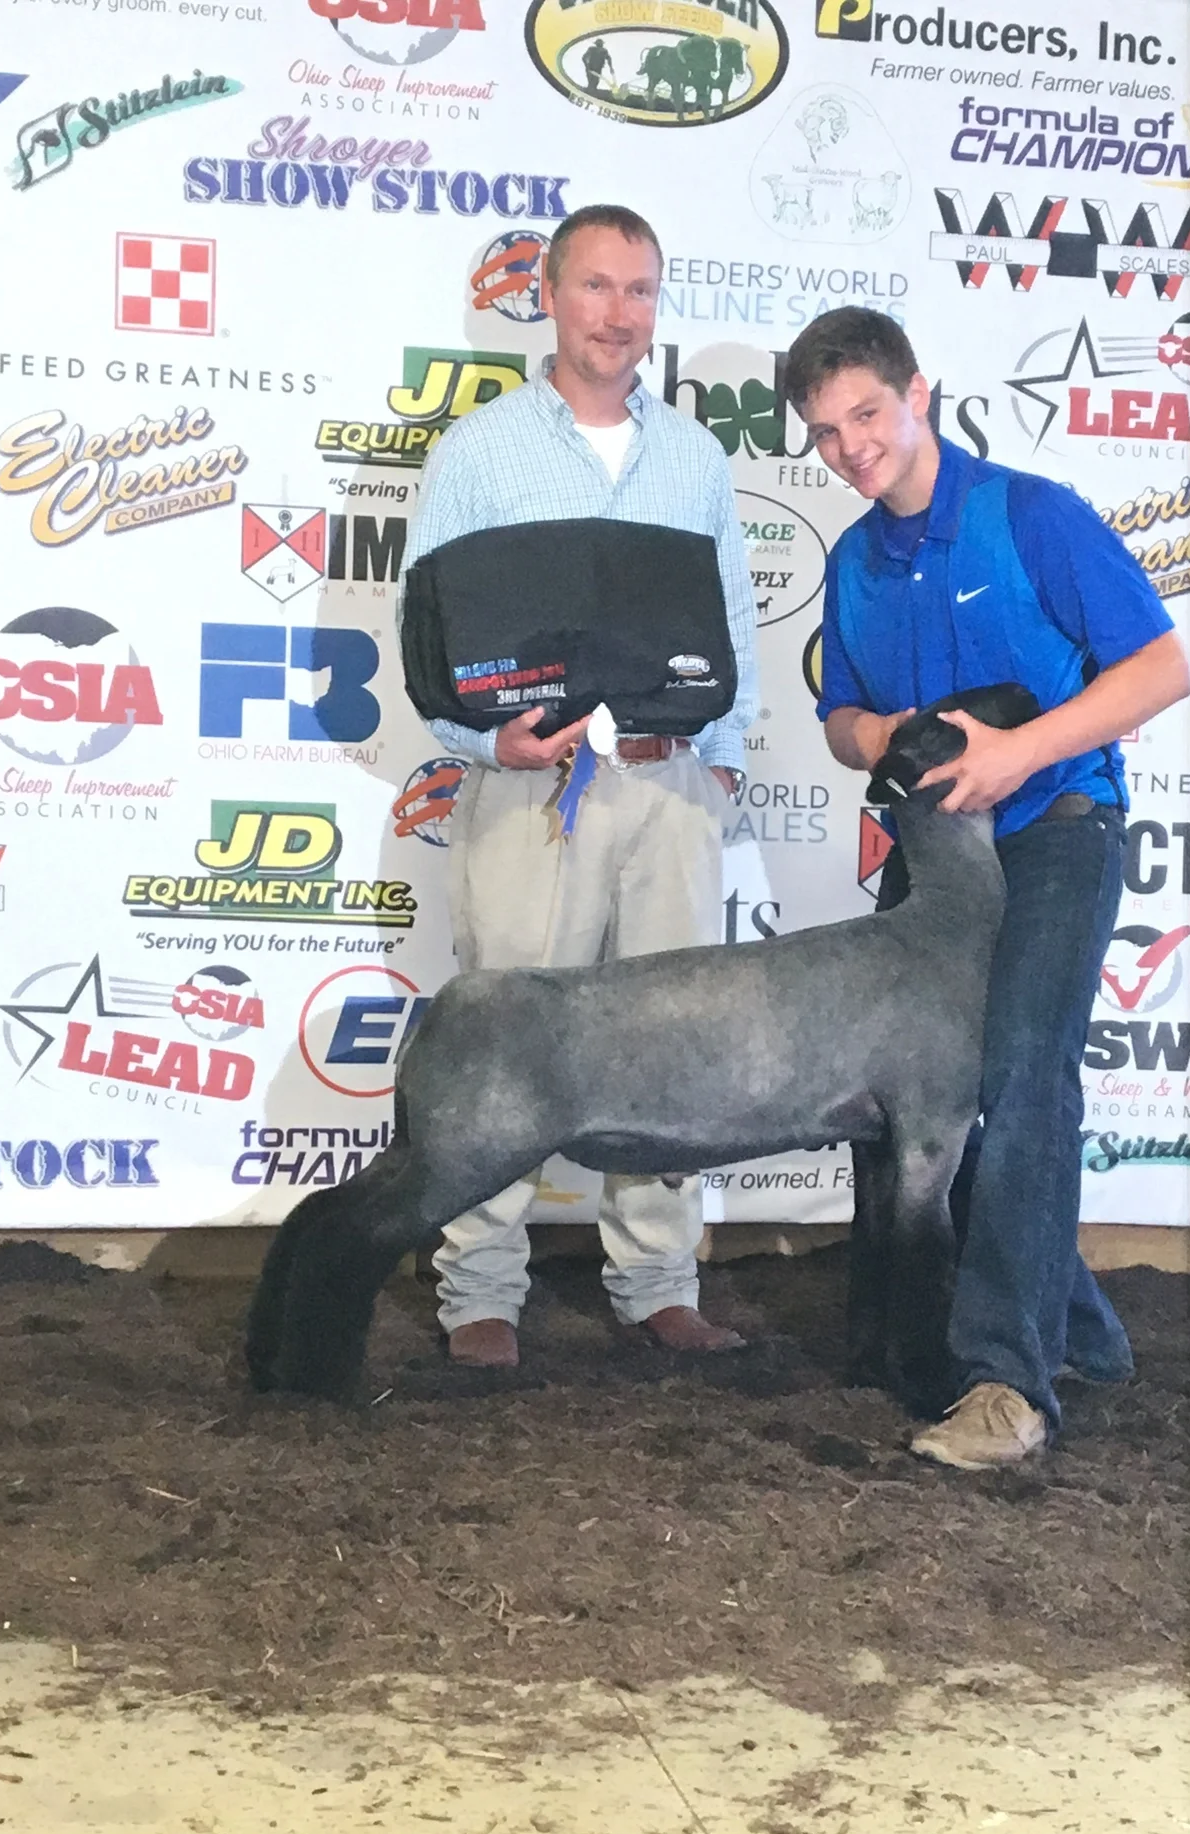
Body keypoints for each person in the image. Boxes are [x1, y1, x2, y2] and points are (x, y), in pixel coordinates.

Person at [784, 306, 1190, 1471]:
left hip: (1056, 828)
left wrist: (1022, 752)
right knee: (926, 1095)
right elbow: (840, 717)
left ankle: (1008, 1385)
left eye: (868, 413)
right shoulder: (854, 561)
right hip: (934, 856)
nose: (853, 446)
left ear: (919, 393)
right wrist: (874, 736)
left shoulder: (1032, 515)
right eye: (827, 432)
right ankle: (1084, 1334)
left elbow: (1165, 665)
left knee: (1020, 1072)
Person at [394, 203, 759, 1370]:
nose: (619, 312)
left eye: (640, 289)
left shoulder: (693, 457)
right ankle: (478, 1288)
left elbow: (733, 618)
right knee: (506, 1041)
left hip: (667, 783)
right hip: (530, 785)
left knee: (671, 1051)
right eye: (596, 285)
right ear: (548, 295)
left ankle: (658, 1281)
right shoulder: (482, 450)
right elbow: (428, 624)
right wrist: (481, 738)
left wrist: (725, 760)